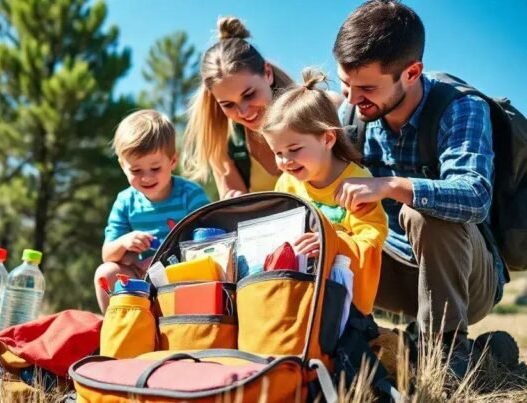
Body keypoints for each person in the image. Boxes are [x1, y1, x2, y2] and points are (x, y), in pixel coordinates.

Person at [332, 0, 503, 376]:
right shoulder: (353, 115)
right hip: (389, 270)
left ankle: (447, 358)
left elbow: (475, 196)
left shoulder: (460, 107)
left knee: (423, 212)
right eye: (345, 85)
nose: (352, 100)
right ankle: (360, 349)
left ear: (411, 72)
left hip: (465, 278)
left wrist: (392, 185)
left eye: (366, 88)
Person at [261, 68, 388, 315]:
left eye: (294, 149)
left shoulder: (357, 182)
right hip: (300, 292)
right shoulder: (287, 184)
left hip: (343, 297)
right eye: (278, 153)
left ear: (328, 139)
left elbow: (371, 239)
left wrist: (332, 243)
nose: (286, 161)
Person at [94, 110, 210, 312]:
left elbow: (210, 245)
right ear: (123, 166)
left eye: (155, 168)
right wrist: (124, 242)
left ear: (172, 161)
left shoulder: (190, 195)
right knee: (106, 272)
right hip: (141, 279)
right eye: (136, 171)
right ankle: (117, 328)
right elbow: (108, 254)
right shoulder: (125, 201)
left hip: (183, 274)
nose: (146, 178)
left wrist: (163, 262)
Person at [181, 17, 296, 199]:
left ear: (267, 74)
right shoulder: (225, 145)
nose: (243, 112)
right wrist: (233, 202)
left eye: (249, 94)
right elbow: (238, 209)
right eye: (228, 104)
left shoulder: (316, 113)